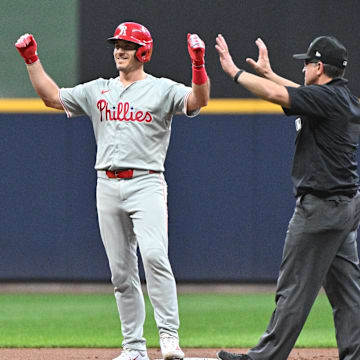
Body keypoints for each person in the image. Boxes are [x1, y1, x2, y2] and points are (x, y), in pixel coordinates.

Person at [15, 22, 210, 360]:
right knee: (121, 273)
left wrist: (197, 64)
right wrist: (32, 59)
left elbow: (199, 99)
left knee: (154, 256)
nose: (119, 50)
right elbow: (51, 97)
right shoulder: (98, 89)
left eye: (128, 45)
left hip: (146, 181)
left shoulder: (162, 89)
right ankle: (133, 348)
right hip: (106, 183)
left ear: (144, 51)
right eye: (117, 44)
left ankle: (168, 337)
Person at [215, 34, 360, 360]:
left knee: (294, 290)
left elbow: (278, 94)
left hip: (321, 210)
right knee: (349, 293)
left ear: (319, 66)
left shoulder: (327, 100)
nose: (304, 67)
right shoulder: (344, 98)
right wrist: (268, 72)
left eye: (307, 63)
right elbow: (299, 93)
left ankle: (263, 358)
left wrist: (234, 71)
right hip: (346, 208)